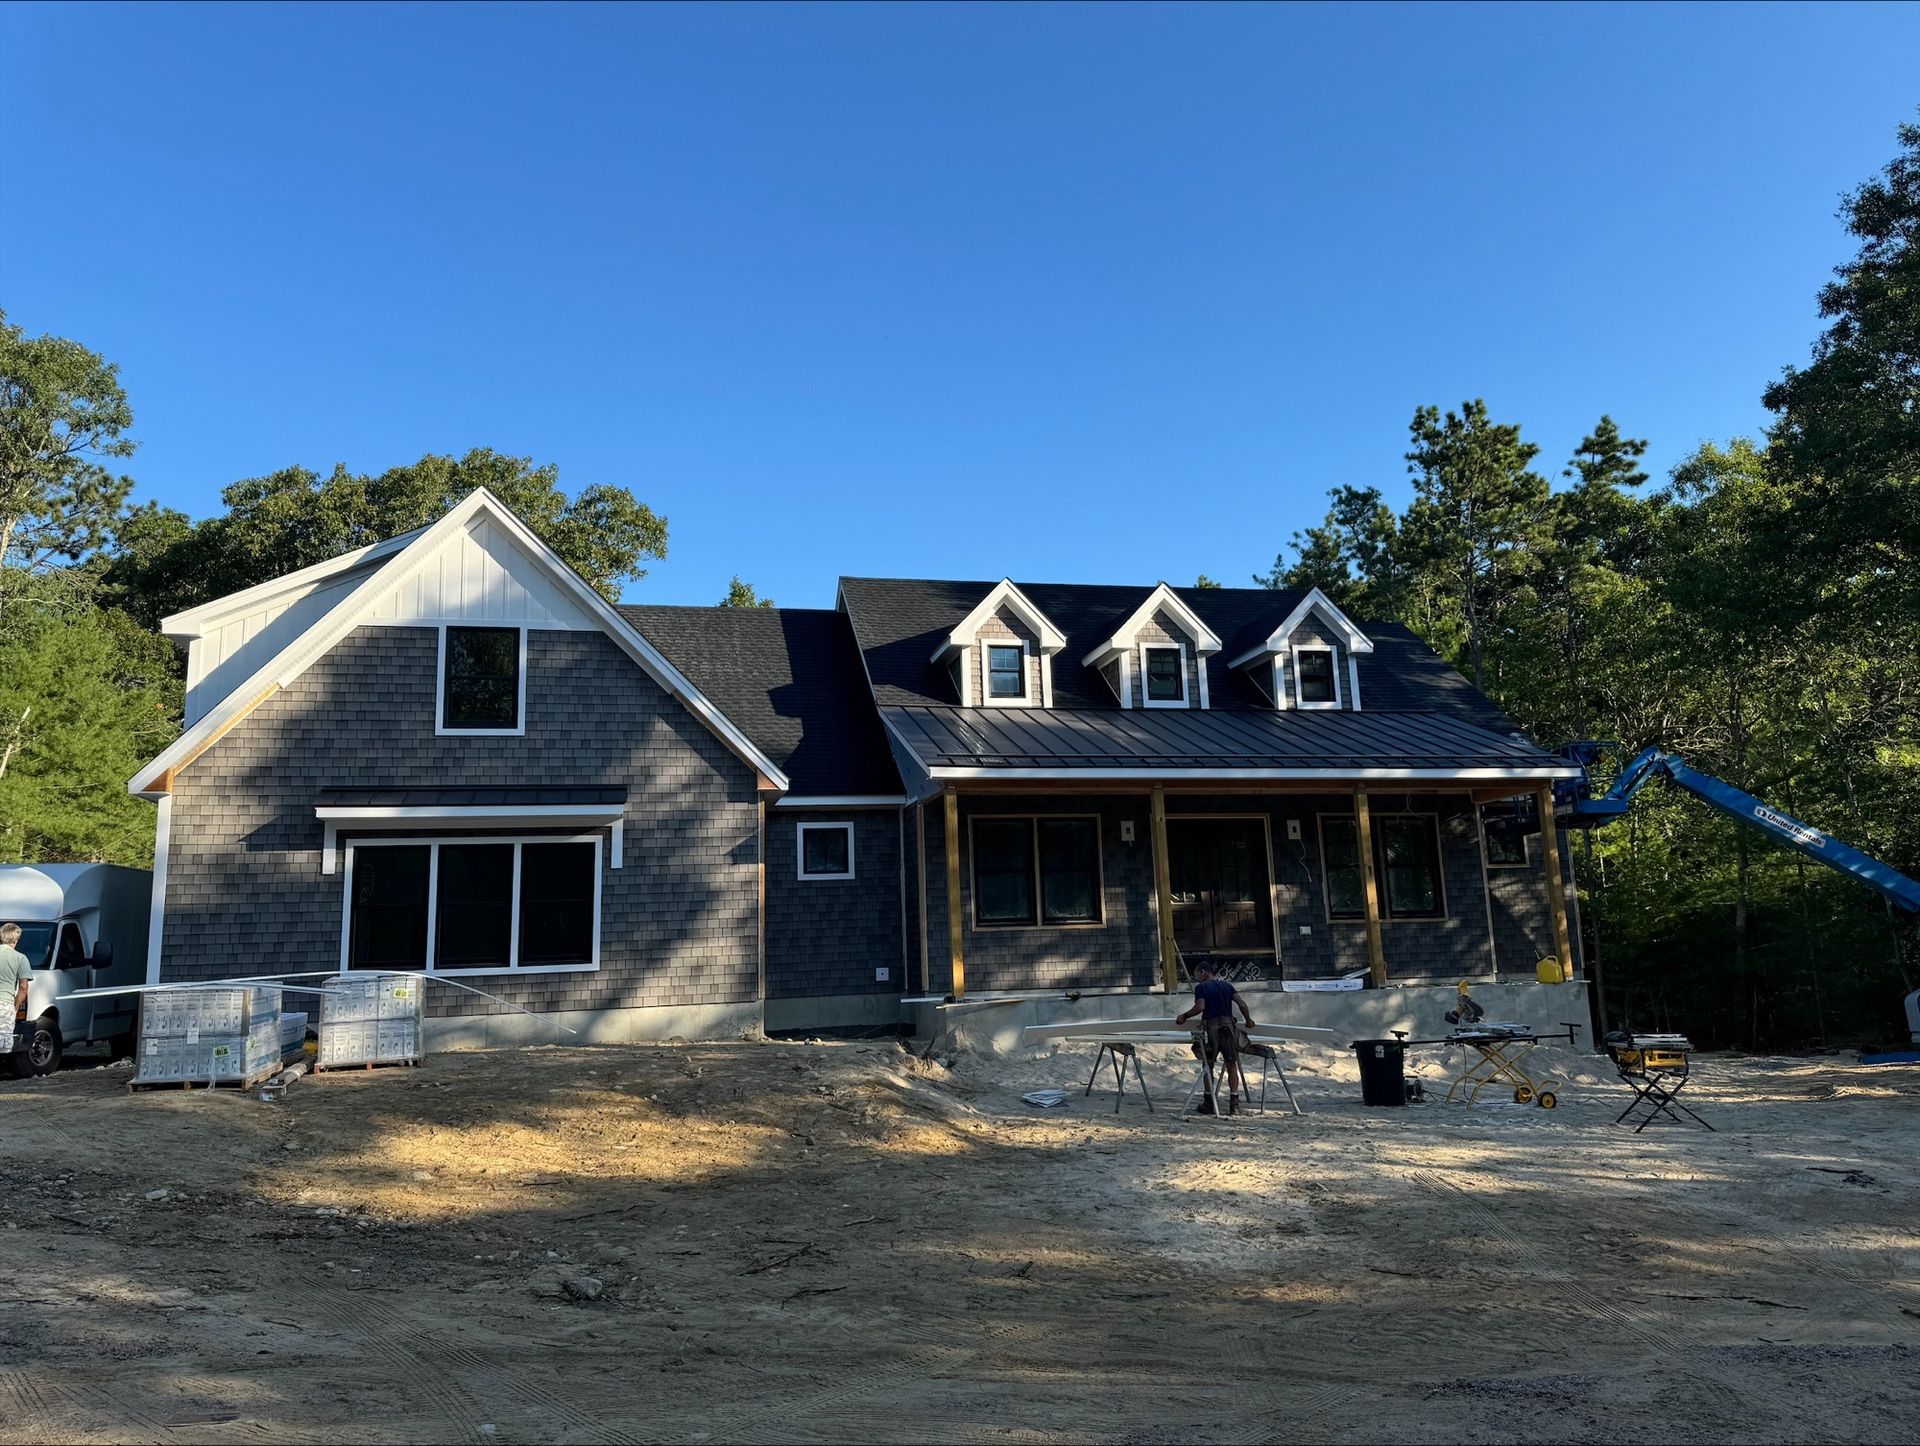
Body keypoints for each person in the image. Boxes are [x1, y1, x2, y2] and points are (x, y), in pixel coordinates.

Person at [1175, 962, 1255, 1115]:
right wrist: (1249, 1020)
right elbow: (1242, 1004)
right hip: (1229, 1028)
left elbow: (1200, 1007)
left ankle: (1209, 1102)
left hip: (1211, 1029)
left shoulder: (1202, 988)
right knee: (1231, 1064)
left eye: (1197, 974)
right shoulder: (1227, 986)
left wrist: (1184, 1016)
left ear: (1203, 972)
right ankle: (1234, 1105)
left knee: (1208, 1065)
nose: (1196, 978)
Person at [0, 923, 30, 1028]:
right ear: (15, 940)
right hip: (4, 1004)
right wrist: (15, 1008)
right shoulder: (21, 958)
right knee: (4, 1042)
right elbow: (23, 987)